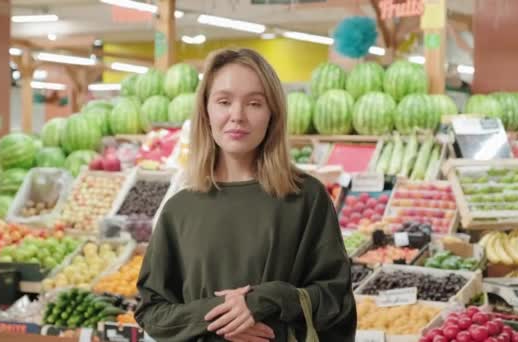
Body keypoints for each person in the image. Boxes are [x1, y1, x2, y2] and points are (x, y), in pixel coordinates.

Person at [135, 48, 356, 342]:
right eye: (224, 101)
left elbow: (336, 299)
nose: (237, 116)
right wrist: (223, 317)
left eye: (254, 103)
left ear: (272, 114)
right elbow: (152, 312)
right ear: (206, 111)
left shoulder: (305, 197)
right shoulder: (180, 209)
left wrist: (267, 300)